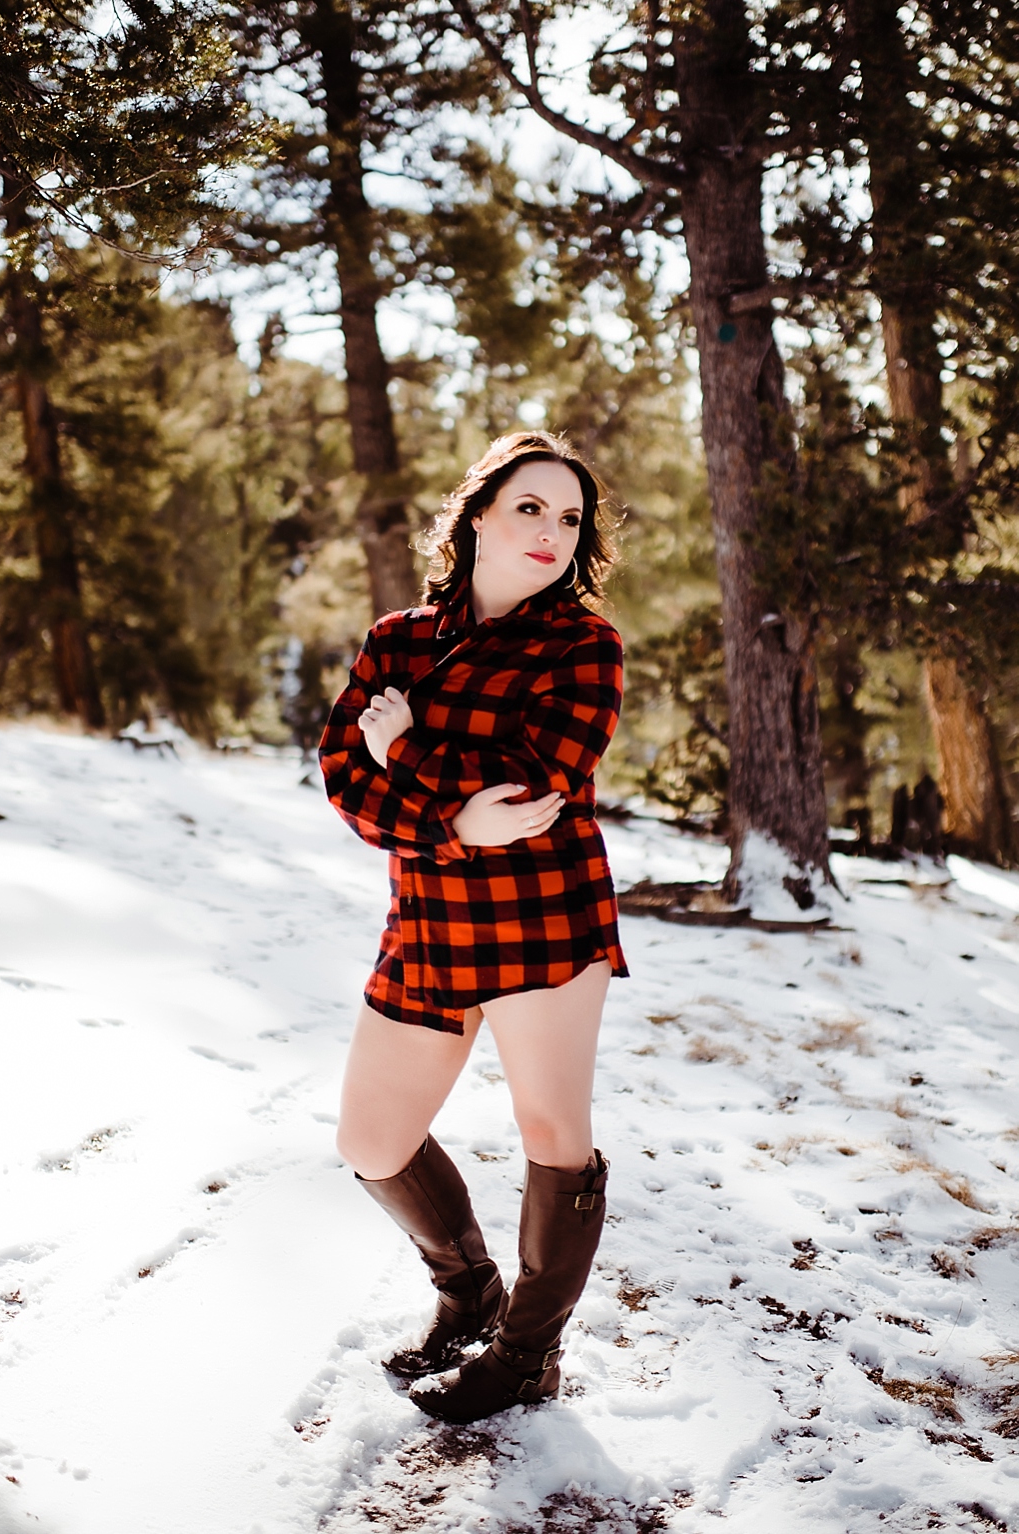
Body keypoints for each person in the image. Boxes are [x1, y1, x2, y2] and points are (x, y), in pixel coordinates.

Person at [318, 430, 627, 1424]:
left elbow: (537, 786)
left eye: (568, 518)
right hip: (429, 918)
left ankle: (525, 1356)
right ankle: (468, 1292)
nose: (549, 531)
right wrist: (449, 816)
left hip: (543, 917)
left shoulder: (583, 646)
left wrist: (404, 748)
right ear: (477, 516)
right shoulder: (397, 638)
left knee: (551, 1133)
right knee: (370, 1138)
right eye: (528, 507)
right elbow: (339, 773)